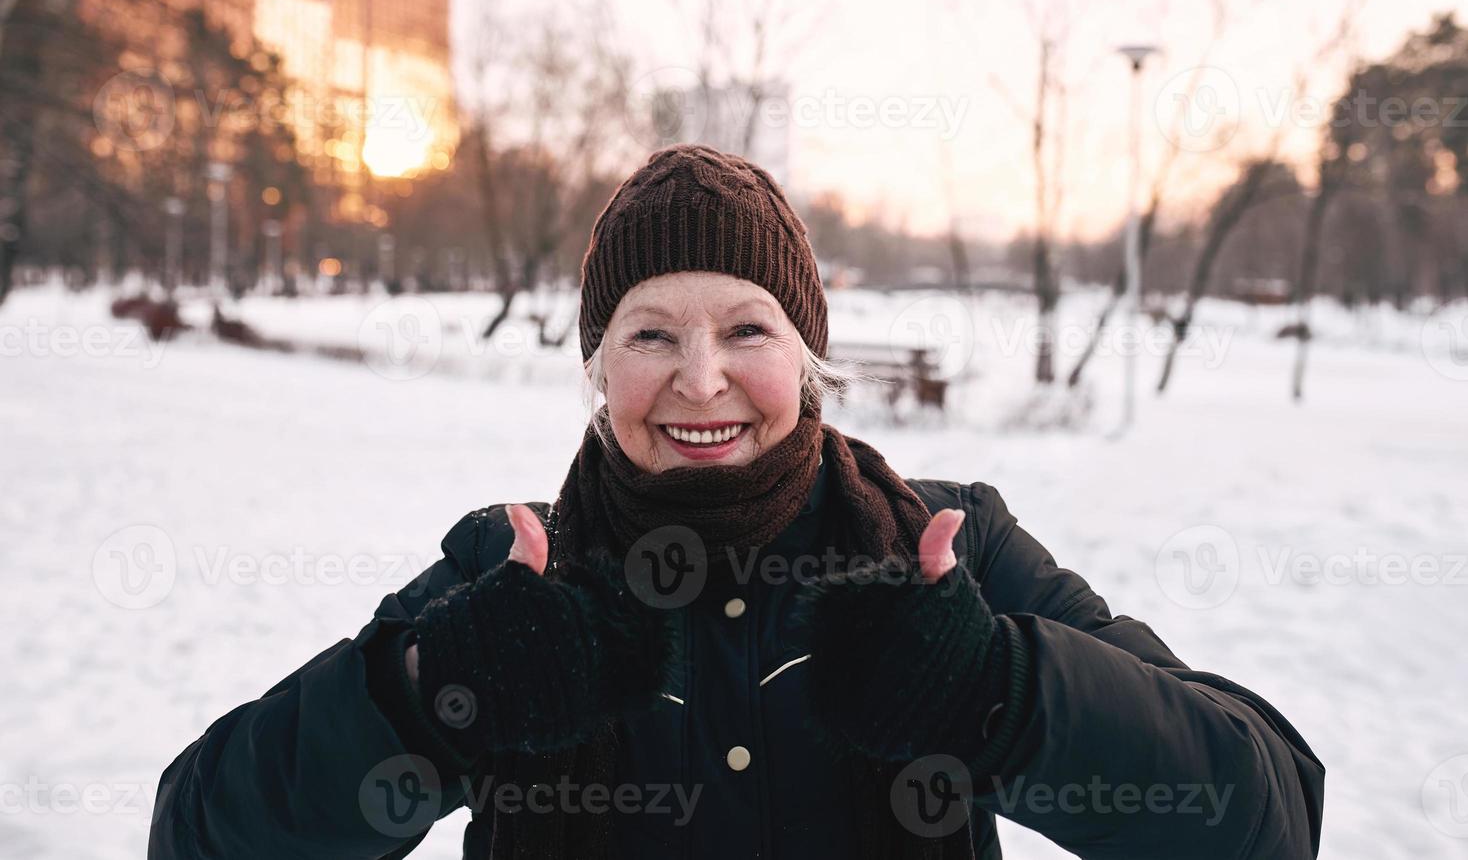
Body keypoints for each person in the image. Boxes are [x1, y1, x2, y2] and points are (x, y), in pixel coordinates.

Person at [149, 144, 1325, 860]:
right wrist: (420, 701)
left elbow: (1267, 815)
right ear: (598, 365)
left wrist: (1005, 695)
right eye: (650, 333)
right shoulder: (514, 571)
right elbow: (197, 833)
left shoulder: (951, 543)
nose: (699, 379)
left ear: (806, 356)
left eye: (746, 329)